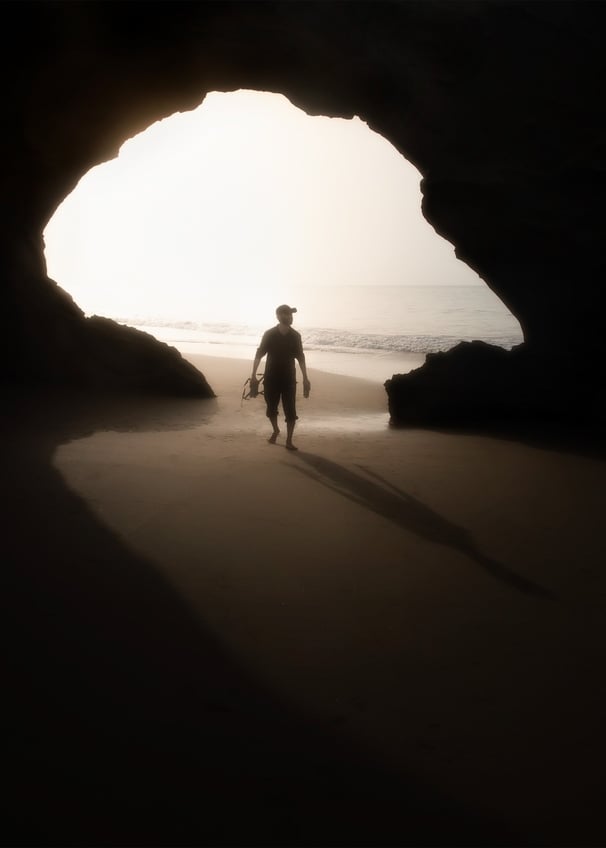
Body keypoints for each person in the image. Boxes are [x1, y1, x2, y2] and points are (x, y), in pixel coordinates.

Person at [250, 304, 311, 450]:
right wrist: (253, 375)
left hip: (289, 379)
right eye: (287, 314)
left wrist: (305, 378)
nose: (290, 317)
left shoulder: (296, 336)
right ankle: (276, 430)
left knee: (291, 410)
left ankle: (289, 440)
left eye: (291, 315)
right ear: (278, 316)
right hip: (271, 378)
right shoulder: (269, 334)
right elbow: (259, 354)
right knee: (271, 408)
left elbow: (300, 357)